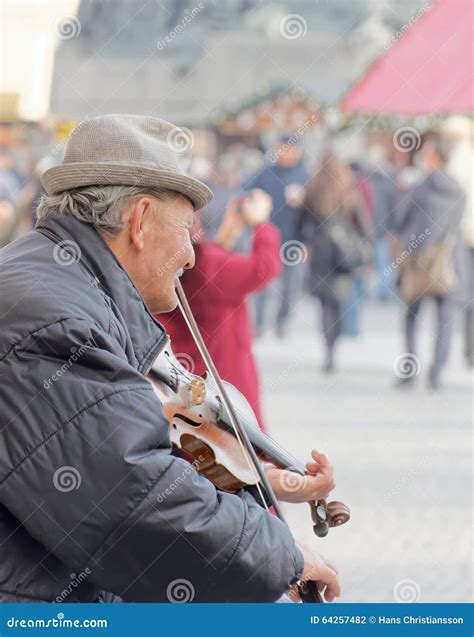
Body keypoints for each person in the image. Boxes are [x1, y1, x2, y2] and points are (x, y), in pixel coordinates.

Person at [0, 114, 340, 603]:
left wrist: (256, 475)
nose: (191, 256)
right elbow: (131, 502)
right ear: (139, 221)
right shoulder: (53, 320)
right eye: (187, 229)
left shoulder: (59, 284)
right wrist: (281, 553)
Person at [157, 189, 279, 429]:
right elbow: (264, 267)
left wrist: (227, 234)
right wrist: (262, 224)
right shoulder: (211, 265)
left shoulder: (165, 267)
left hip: (188, 382)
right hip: (228, 380)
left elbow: (208, 263)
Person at [393, 133, 466, 389]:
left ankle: (409, 369)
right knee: (445, 319)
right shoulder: (458, 189)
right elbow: (456, 224)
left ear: (435, 158)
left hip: (418, 261)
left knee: (411, 316)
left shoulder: (419, 187)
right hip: (448, 261)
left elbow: (400, 220)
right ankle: (436, 373)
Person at [298, 152, 372, 373]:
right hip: (343, 253)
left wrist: (303, 244)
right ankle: (336, 342)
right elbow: (363, 222)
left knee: (324, 304)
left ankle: (328, 347)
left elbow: (302, 224)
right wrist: (367, 251)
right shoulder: (348, 189)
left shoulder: (312, 189)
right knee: (338, 300)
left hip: (320, 252)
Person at [243, 136, 309, 338]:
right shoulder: (266, 172)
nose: (285, 153)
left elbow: (315, 210)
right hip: (266, 238)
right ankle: (259, 324)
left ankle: (282, 323)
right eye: (282, 149)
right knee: (262, 281)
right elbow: (245, 191)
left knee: (290, 287)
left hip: (293, 239)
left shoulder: (304, 175)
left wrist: (303, 202)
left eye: (289, 150)